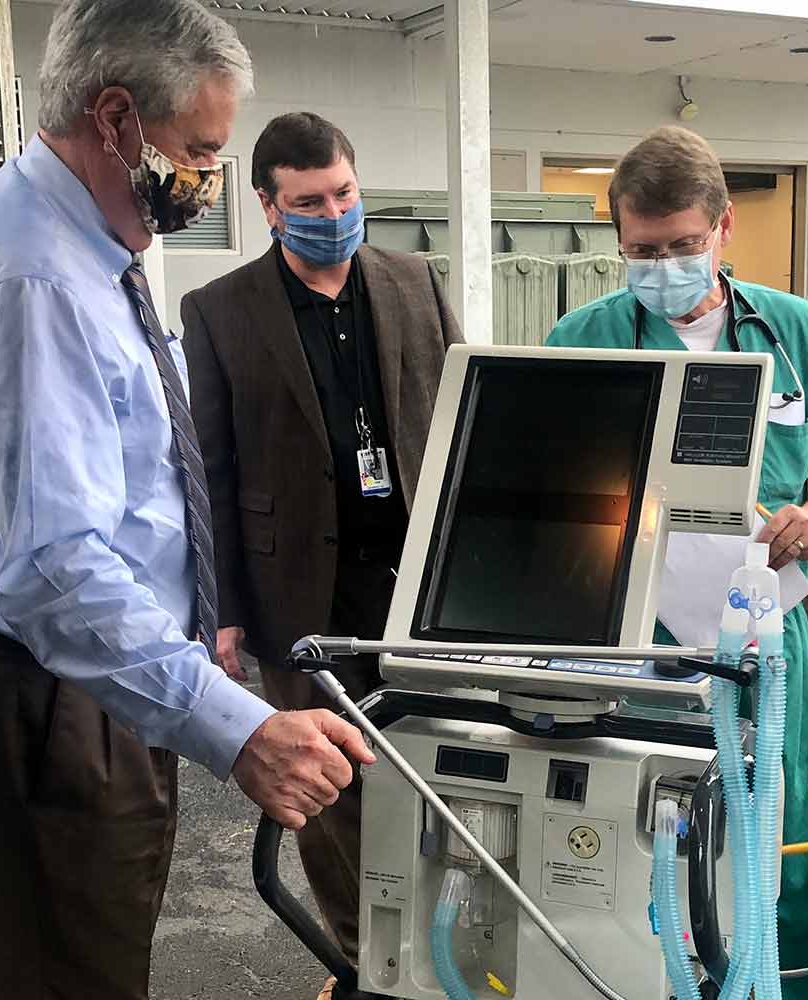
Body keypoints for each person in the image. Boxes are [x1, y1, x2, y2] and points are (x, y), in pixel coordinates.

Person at [0, 4, 374, 998]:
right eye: (201, 151)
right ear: (116, 118)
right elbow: (57, 568)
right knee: (75, 976)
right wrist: (239, 728)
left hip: (75, 676)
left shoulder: (77, 247)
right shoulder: (40, 279)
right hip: (40, 682)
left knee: (90, 955)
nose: (209, 176)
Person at [545, 126, 808, 1000]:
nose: (663, 268)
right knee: (634, 847)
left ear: (724, 227)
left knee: (791, 843)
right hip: (632, 642)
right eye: (641, 251)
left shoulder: (793, 330)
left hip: (767, 636)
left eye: (683, 246)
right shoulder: (585, 337)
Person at [182, 111, 462, 995]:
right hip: (297, 588)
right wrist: (221, 608)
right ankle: (362, 963)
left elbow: (457, 424)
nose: (333, 211)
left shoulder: (416, 280)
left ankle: (443, 951)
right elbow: (210, 469)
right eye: (308, 201)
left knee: (440, 768)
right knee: (327, 793)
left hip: (417, 583)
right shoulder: (220, 311)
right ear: (268, 206)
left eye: (343, 192)